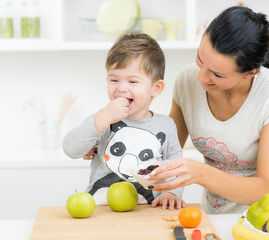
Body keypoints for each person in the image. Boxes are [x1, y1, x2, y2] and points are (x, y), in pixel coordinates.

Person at [147, 6, 269, 214]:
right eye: (200, 59)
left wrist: (200, 173)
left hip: (262, 221)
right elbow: (164, 149)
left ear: (250, 73)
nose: (201, 77)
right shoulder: (187, 79)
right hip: (212, 216)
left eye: (217, 75)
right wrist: (107, 139)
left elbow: (265, 189)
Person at [63, 33, 185, 210]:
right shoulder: (103, 118)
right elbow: (70, 149)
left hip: (148, 210)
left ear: (156, 88)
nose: (121, 88)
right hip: (101, 208)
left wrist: (172, 193)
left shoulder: (166, 126)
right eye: (114, 79)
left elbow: (175, 166)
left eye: (133, 81)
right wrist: (101, 121)